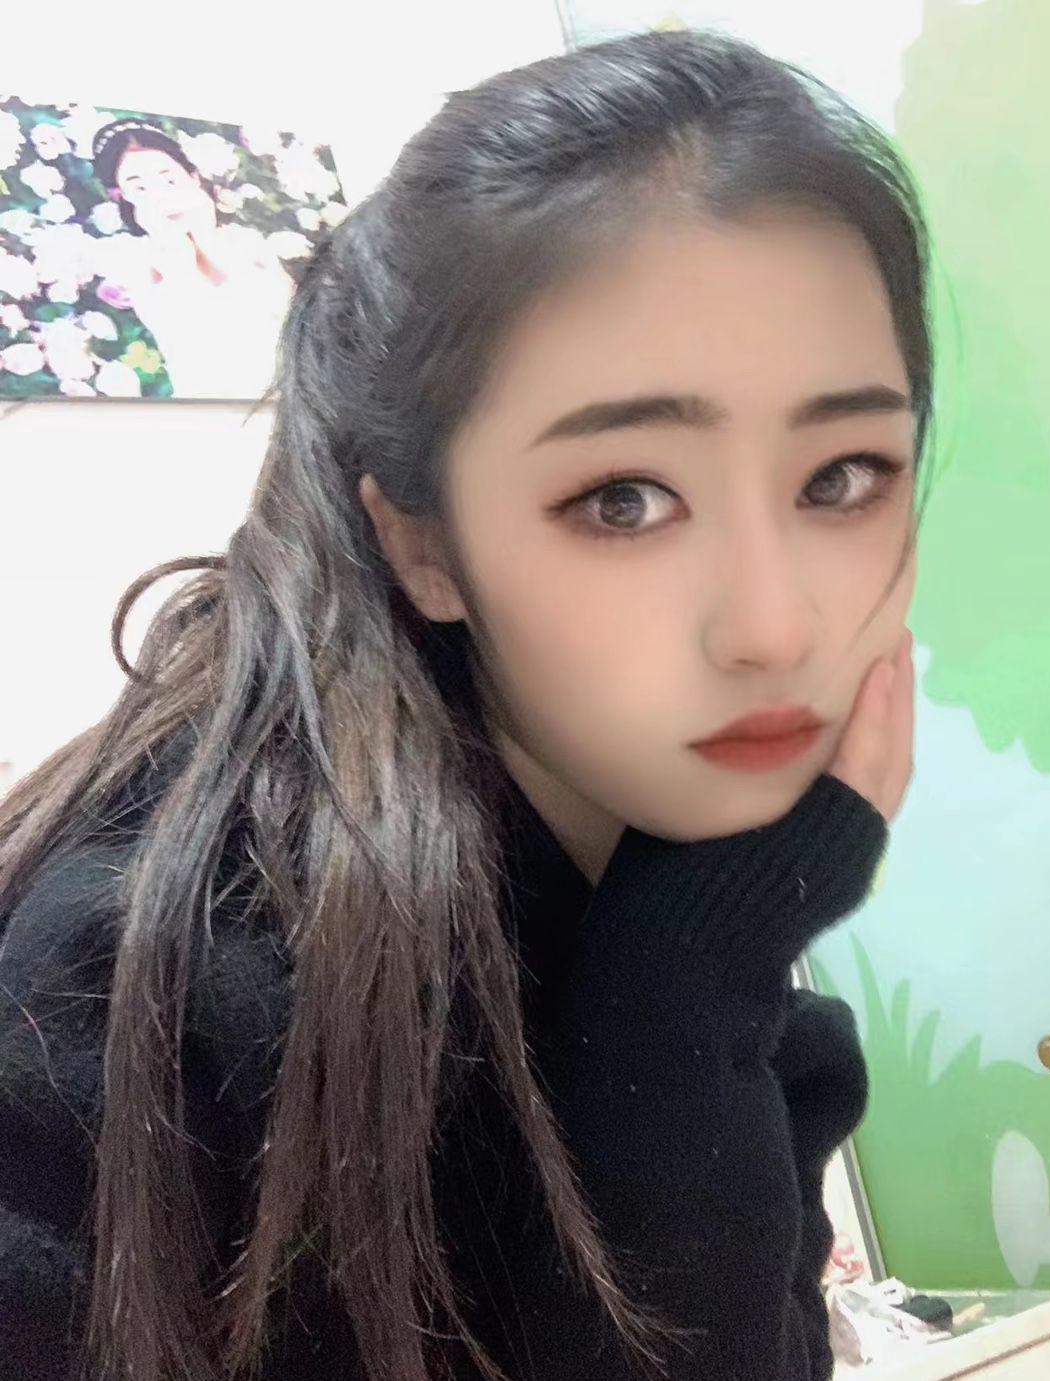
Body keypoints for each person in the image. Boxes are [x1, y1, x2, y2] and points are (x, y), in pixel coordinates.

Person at [0, 28, 927, 1381]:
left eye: (841, 476)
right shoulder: (149, 992)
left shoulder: (681, 886)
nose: (776, 627)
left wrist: (682, 991)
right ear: (423, 544)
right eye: (624, 499)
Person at [91, 119, 295, 398]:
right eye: (140, 188)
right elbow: (197, 330)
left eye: (169, 179)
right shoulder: (140, 262)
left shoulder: (245, 241)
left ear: (193, 177)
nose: (160, 195)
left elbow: (285, 312)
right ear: (123, 196)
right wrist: (173, 237)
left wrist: (205, 234)